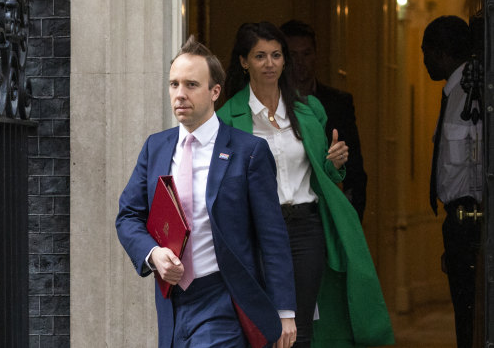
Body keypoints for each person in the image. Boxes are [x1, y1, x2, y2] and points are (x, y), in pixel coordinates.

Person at [217, 21, 394, 348]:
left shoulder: (308, 110)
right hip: (257, 231)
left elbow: (323, 175)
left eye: (276, 55)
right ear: (244, 62)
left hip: (306, 228)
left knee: (300, 327)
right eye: (260, 56)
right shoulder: (228, 118)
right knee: (262, 325)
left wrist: (334, 163)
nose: (270, 63)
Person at [116, 36, 298, 348]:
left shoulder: (248, 151)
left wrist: (284, 311)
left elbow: (272, 236)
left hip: (224, 299)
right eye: (174, 85)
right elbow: (128, 216)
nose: (180, 95)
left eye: (191, 85)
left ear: (215, 91)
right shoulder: (155, 147)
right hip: (172, 304)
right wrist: (153, 254)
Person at [422, 15, 482, 348]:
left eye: (425, 51)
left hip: (471, 218)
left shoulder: (471, 94)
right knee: (464, 313)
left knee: (471, 314)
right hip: (458, 221)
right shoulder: (455, 93)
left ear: (441, 52)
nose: (425, 61)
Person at [279, 19, 368, 221]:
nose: (300, 62)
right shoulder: (270, 104)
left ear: (316, 55)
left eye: (306, 54)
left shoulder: (339, 103)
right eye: (293, 55)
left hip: (328, 211)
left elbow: (354, 169)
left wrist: (351, 218)